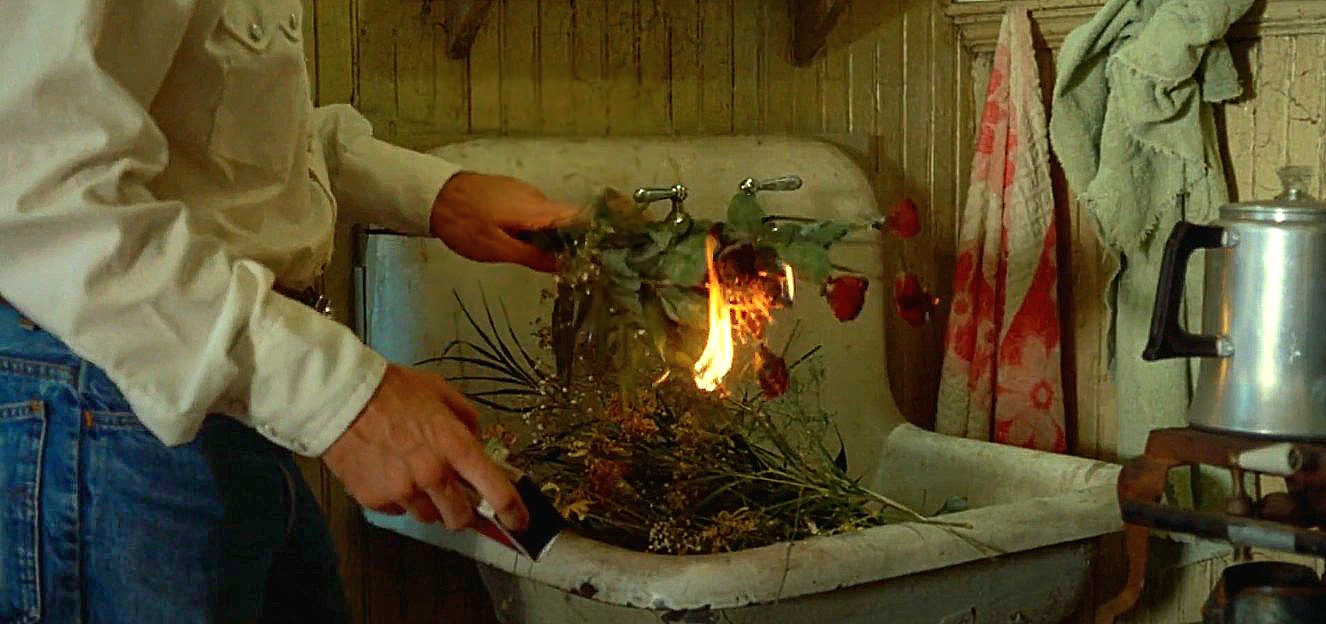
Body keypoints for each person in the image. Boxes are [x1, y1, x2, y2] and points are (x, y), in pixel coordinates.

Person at [0, 1, 578, 622]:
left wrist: (439, 196)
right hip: (113, 409)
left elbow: (225, 133)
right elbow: (35, 196)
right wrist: (346, 398)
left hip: (217, 400)